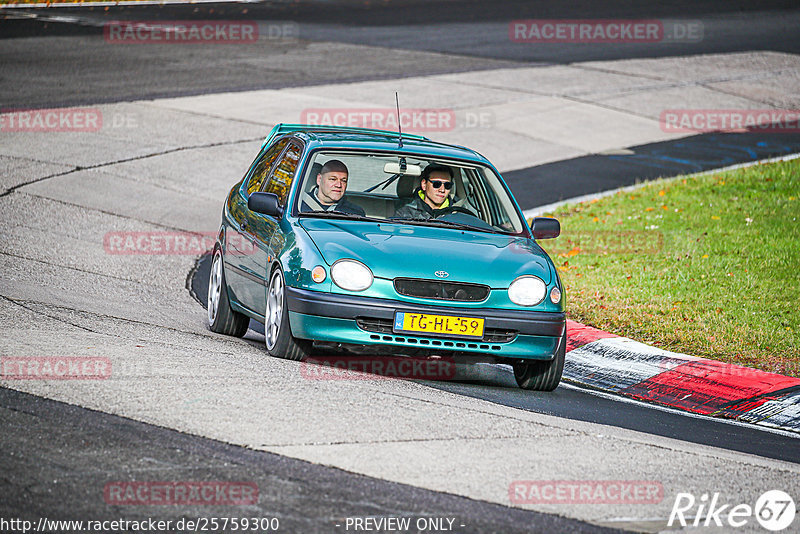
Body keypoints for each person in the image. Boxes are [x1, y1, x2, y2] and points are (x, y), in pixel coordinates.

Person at [300, 159, 365, 215]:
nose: (339, 185)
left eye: (343, 180)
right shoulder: (298, 205)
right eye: (333, 179)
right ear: (319, 179)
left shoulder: (355, 213)